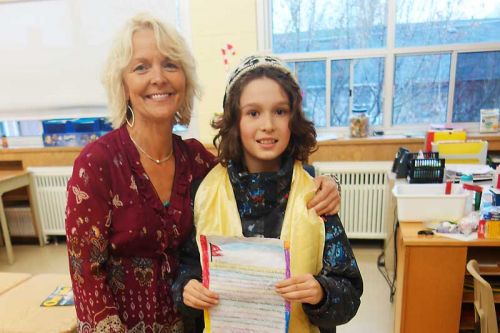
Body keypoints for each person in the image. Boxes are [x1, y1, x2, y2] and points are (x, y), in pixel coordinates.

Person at [65, 14, 341, 332]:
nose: (158, 78)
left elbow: (256, 180)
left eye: (170, 64)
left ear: (185, 79)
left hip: (198, 322)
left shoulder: (196, 161)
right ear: (123, 84)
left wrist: (325, 183)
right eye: (141, 67)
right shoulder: (96, 165)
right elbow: (86, 276)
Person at [173, 55, 363, 333]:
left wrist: (321, 292)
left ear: (293, 118)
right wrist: (186, 288)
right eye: (253, 113)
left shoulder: (316, 196)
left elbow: (350, 294)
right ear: (234, 120)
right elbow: (186, 266)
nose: (268, 125)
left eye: (280, 111)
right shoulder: (204, 193)